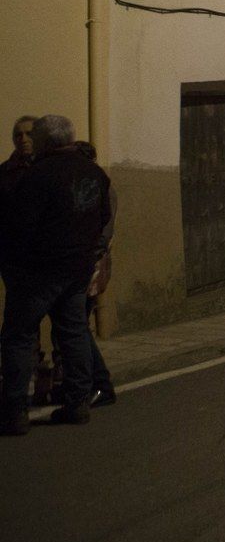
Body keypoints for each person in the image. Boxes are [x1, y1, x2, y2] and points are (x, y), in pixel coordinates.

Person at [0, 115, 111, 434]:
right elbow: (103, 216)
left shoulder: (38, 176)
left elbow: (20, 225)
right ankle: (78, 403)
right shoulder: (93, 173)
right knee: (73, 332)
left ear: (46, 141)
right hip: (77, 268)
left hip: (38, 271)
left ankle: (15, 410)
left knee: (19, 336)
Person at [73, 141, 116, 408]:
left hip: (91, 264)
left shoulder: (99, 186)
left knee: (77, 326)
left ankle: (99, 383)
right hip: (87, 261)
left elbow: (103, 229)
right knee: (76, 326)